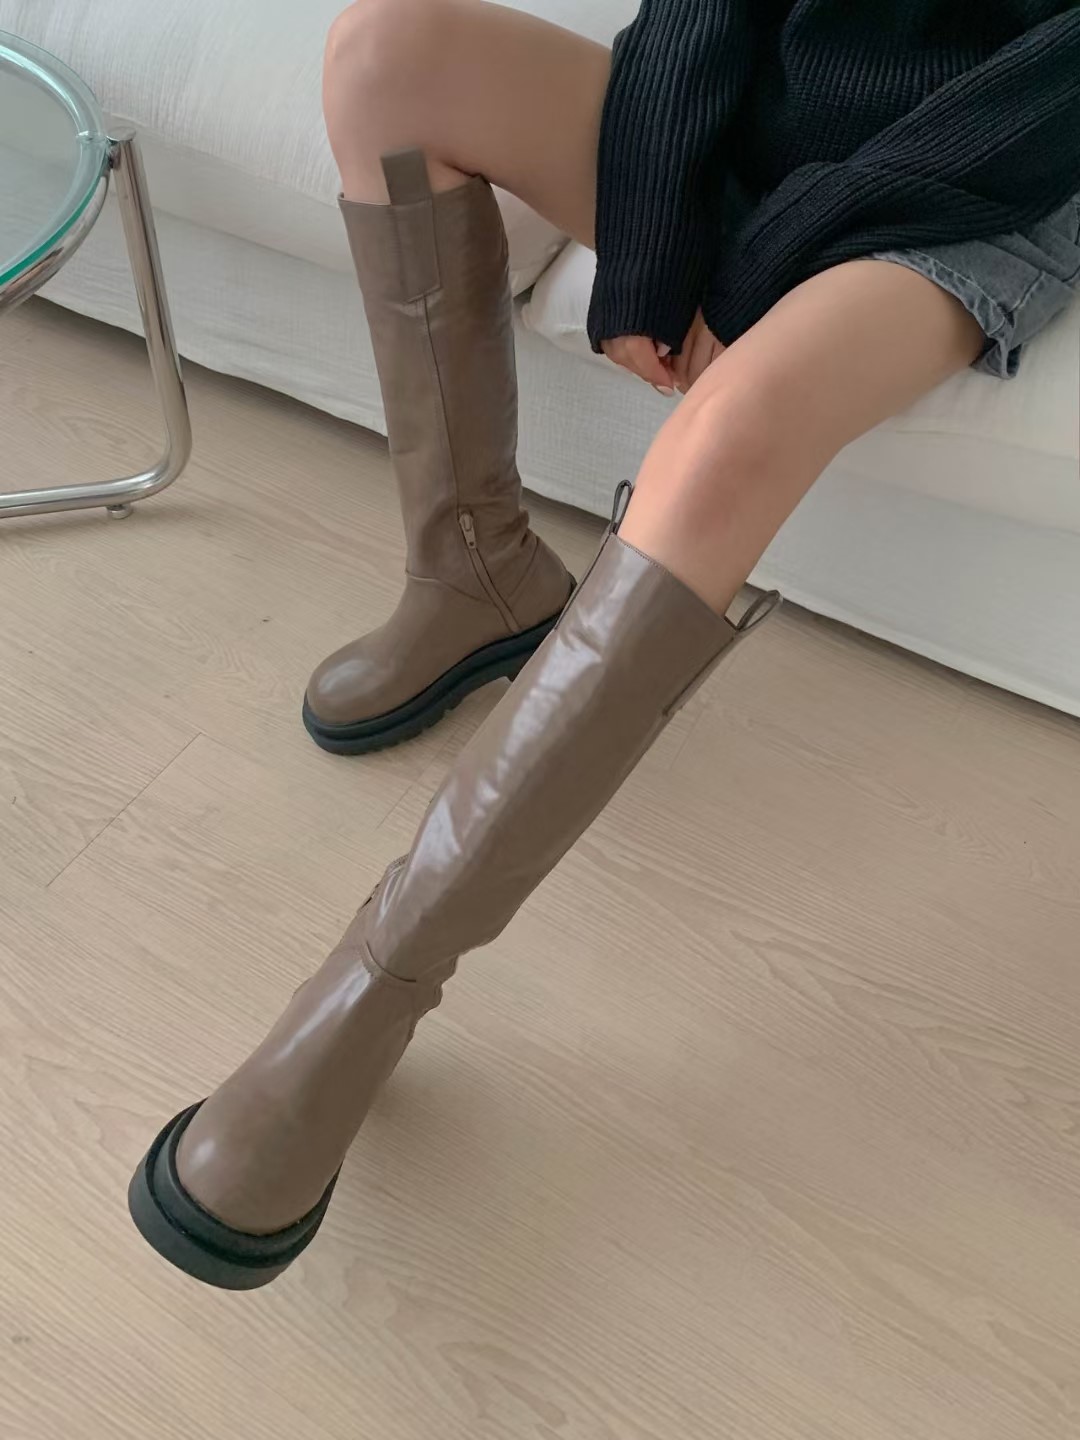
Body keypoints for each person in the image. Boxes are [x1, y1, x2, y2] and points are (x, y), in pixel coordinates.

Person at [128, 0, 1080, 1288]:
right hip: (769, 123)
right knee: (386, 55)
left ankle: (375, 987)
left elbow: (1033, 103)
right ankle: (475, 576)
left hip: (976, 184)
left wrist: (760, 265)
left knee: (727, 433)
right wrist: (655, 234)